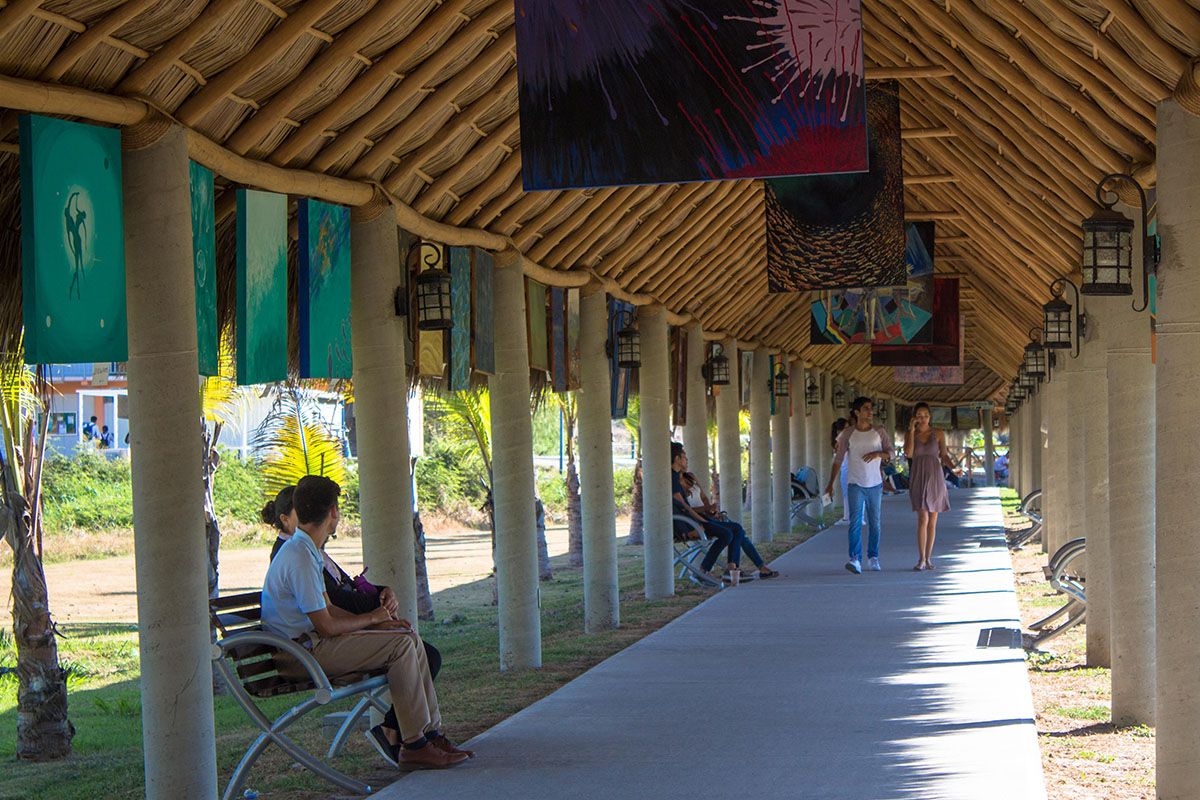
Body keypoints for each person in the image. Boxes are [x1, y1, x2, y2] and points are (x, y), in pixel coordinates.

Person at [261, 475, 471, 770]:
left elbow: (330, 609)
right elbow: (327, 626)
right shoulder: (299, 556)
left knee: (407, 637)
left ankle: (430, 734)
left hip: (310, 646)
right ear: (333, 512)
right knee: (400, 646)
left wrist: (378, 625)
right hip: (300, 655)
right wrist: (373, 619)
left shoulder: (306, 549)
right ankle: (413, 744)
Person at [825, 397, 894, 574]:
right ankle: (855, 558)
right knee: (855, 522)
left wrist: (879, 453)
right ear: (857, 412)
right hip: (855, 483)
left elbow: (891, 453)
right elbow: (838, 460)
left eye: (871, 408)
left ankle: (873, 557)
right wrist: (830, 483)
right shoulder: (847, 434)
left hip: (875, 484)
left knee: (875, 523)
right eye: (866, 409)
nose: (870, 412)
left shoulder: (879, 431)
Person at [679, 470, 778, 579]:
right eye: (684, 457)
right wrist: (706, 509)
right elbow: (686, 509)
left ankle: (737, 568)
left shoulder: (690, 476)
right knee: (737, 531)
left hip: (707, 515)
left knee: (739, 531)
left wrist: (711, 510)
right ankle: (740, 568)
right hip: (697, 520)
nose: (686, 460)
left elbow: (703, 497)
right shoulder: (676, 484)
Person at [671, 442, 736, 583]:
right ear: (677, 459)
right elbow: (684, 507)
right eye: (684, 457)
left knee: (735, 529)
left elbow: (696, 502)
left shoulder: (677, 476)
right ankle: (703, 571)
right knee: (727, 533)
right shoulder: (672, 479)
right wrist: (702, 521)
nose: (686, 460)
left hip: (694, 519)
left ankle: (730, 568)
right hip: (687, 524)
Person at [905, 403, 954, 571]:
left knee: (932, 520)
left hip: (935, 476)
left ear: (930, 416)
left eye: (925, 415)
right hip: (918, 475)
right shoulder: (911, 434)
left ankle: (929, 557)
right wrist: (911, 431)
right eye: (919, 415)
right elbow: (909, 454)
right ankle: (921, 559)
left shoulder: (938, 433)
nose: (923, 418)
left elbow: (944, 455)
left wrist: (954, 468)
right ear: (914, 417)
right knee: (922, 518)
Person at [830, 417, 850, 523]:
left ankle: (850, 516)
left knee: (850, 494)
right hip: (846, 470)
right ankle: (847, 516)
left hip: (849, 470)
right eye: (846, 428)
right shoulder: (840, 442)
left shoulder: (842, 440)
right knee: (847, 494)